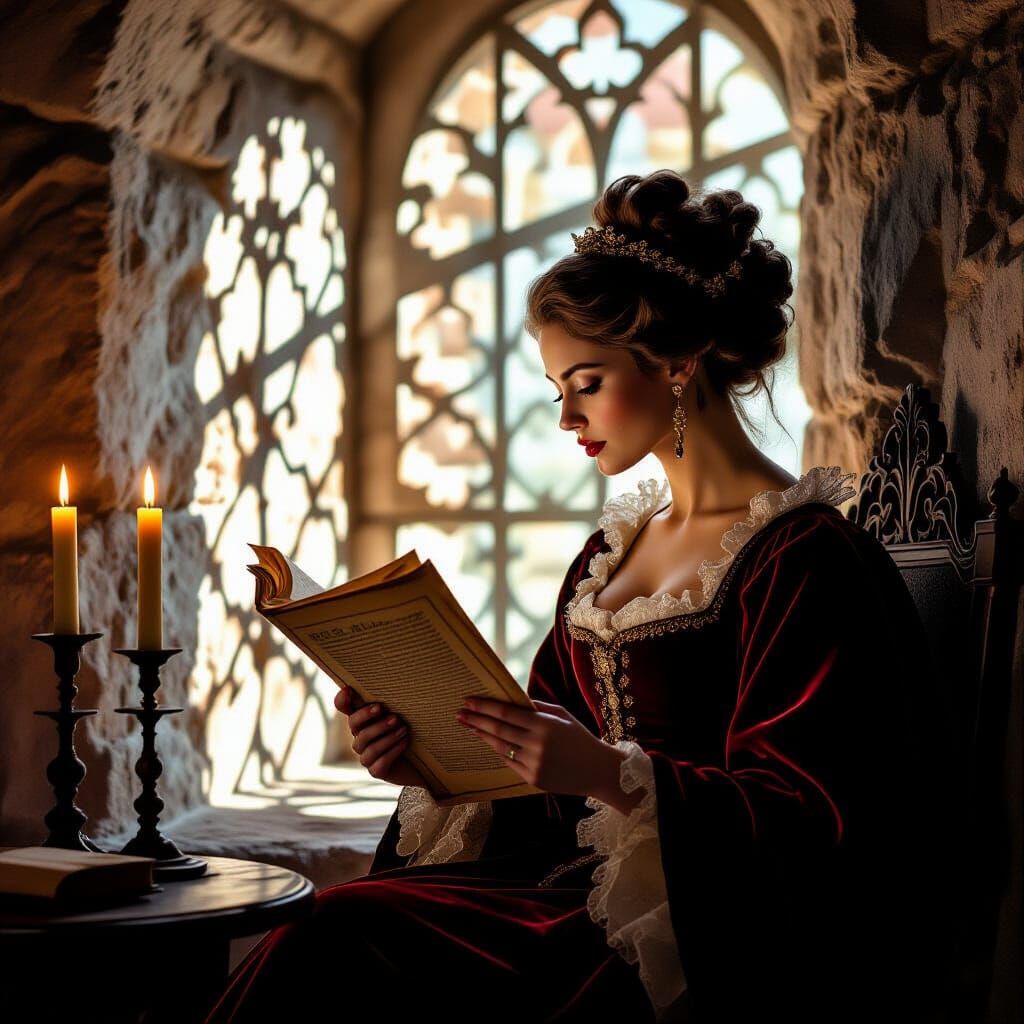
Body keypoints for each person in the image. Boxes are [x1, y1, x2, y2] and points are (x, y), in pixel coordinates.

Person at [204, 171, 957, 1024]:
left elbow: (822, 822)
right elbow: (547, 777)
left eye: (586, 382)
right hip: (563, 896)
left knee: (341, 937)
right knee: (333, 935)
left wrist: (606, 771)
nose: (567, 418)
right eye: (558, 389)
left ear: (678, 364)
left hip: (700, 938)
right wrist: (427, 757)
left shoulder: (805, 557)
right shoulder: (610, 553)